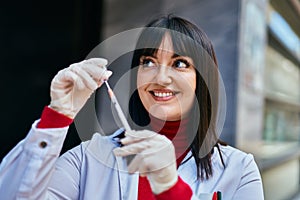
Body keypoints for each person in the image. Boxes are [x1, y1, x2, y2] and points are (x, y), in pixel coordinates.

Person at [0, 15, 264, 200]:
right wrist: (57, 115)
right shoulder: (89, 158)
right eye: (148, 62)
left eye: (180, 63)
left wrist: (170, 187)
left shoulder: (238, 170)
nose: (160, 78)